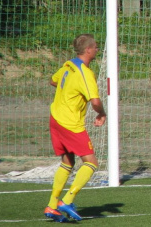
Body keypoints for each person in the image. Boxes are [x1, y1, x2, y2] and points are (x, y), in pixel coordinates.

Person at [44, 34, 106, 222]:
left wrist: (69, 91)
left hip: (56, 118)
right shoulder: (85, 73)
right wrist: (102, 114)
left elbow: (53, 81)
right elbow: (95, 101)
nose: (97, 49)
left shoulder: (68, 65)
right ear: (88, 50)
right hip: (70, 123)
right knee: (91, 162)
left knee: (68, 162)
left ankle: (52, 205)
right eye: (95, 47)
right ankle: (67, 200)